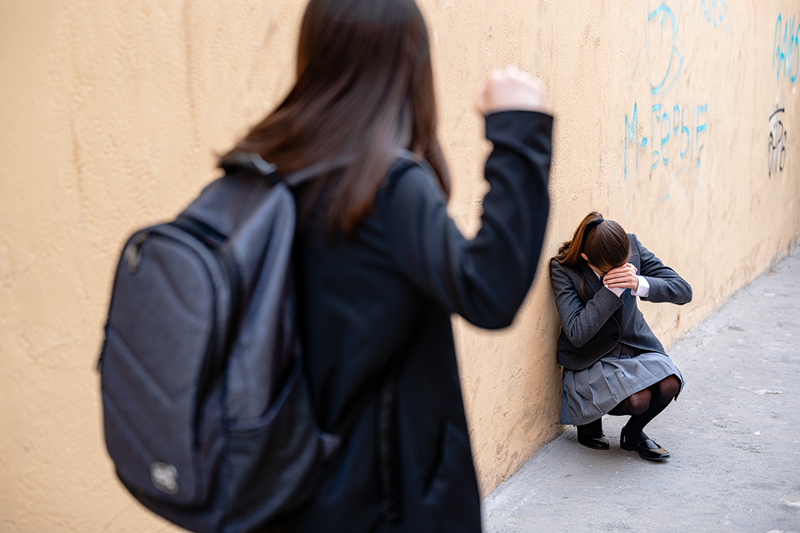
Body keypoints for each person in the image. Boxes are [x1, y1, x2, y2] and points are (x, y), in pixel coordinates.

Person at [228, 0, 553, 531]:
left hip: (283, 489)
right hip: (384, 499)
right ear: (409, 63)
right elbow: (491, 291)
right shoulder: (386, 185)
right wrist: (518, 133)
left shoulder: (266, 166)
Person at [549, 212, 692, 461]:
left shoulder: (631, 245)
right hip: (591, 358)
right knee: (639, 400)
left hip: (634, 347)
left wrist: (639, 283)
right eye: (607, 271)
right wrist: (611, 290)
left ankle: (634, 434)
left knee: (671, 383)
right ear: (585, 257)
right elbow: (576, 333)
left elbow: (683, 290)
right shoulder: (564, 269)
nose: (617, 273)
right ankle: (589, 419)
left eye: (622, 267)